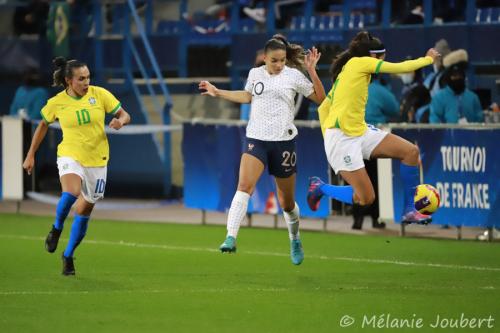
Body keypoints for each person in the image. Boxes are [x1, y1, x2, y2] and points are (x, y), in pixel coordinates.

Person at [199, 34, 325, 265]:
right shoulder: (255, 74)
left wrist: (312, 71)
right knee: (244, 186)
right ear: (264, 58)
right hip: (256, 139)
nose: (279, 65)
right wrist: (218, 92)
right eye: (274, 60)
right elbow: (247, 96)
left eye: (283, 60)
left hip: (284, 143)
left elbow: (320, 98)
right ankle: (230, 237)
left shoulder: (294, 76)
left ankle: (295, 238)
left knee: (286, 203)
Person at [307, 31, 440, 225]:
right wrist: (428, 60)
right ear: (373, 56)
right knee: (366, 198)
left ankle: (410, 210)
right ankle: (320, 187)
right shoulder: (361, 62)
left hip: (359, 131)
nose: (383, 61)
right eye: (382, 57)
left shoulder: (350, 71)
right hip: (342, 139)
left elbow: (324, 108)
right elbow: (399, 68)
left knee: (411, 152)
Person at [22, 57, 131, 276]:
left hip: (98, 160)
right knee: (71, 193)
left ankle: (68, 255)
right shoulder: (57, 102)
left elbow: (124, 114)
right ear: (69, 81)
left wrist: (121, 121)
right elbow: (43, 125)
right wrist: (31, 154)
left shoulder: (100, 94)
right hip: (70, 155)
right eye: (81, 79)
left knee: (85, 210)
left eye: (88, 77)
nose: (86, 82)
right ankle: (56, 228)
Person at [430, 49, 484, 124]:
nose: (457, 78)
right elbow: (435, 123)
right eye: (454, 76)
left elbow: (480, 122)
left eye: (460, 75)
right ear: (449, 77)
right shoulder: (439, 98)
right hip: (447, 135)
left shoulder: (473, 98)